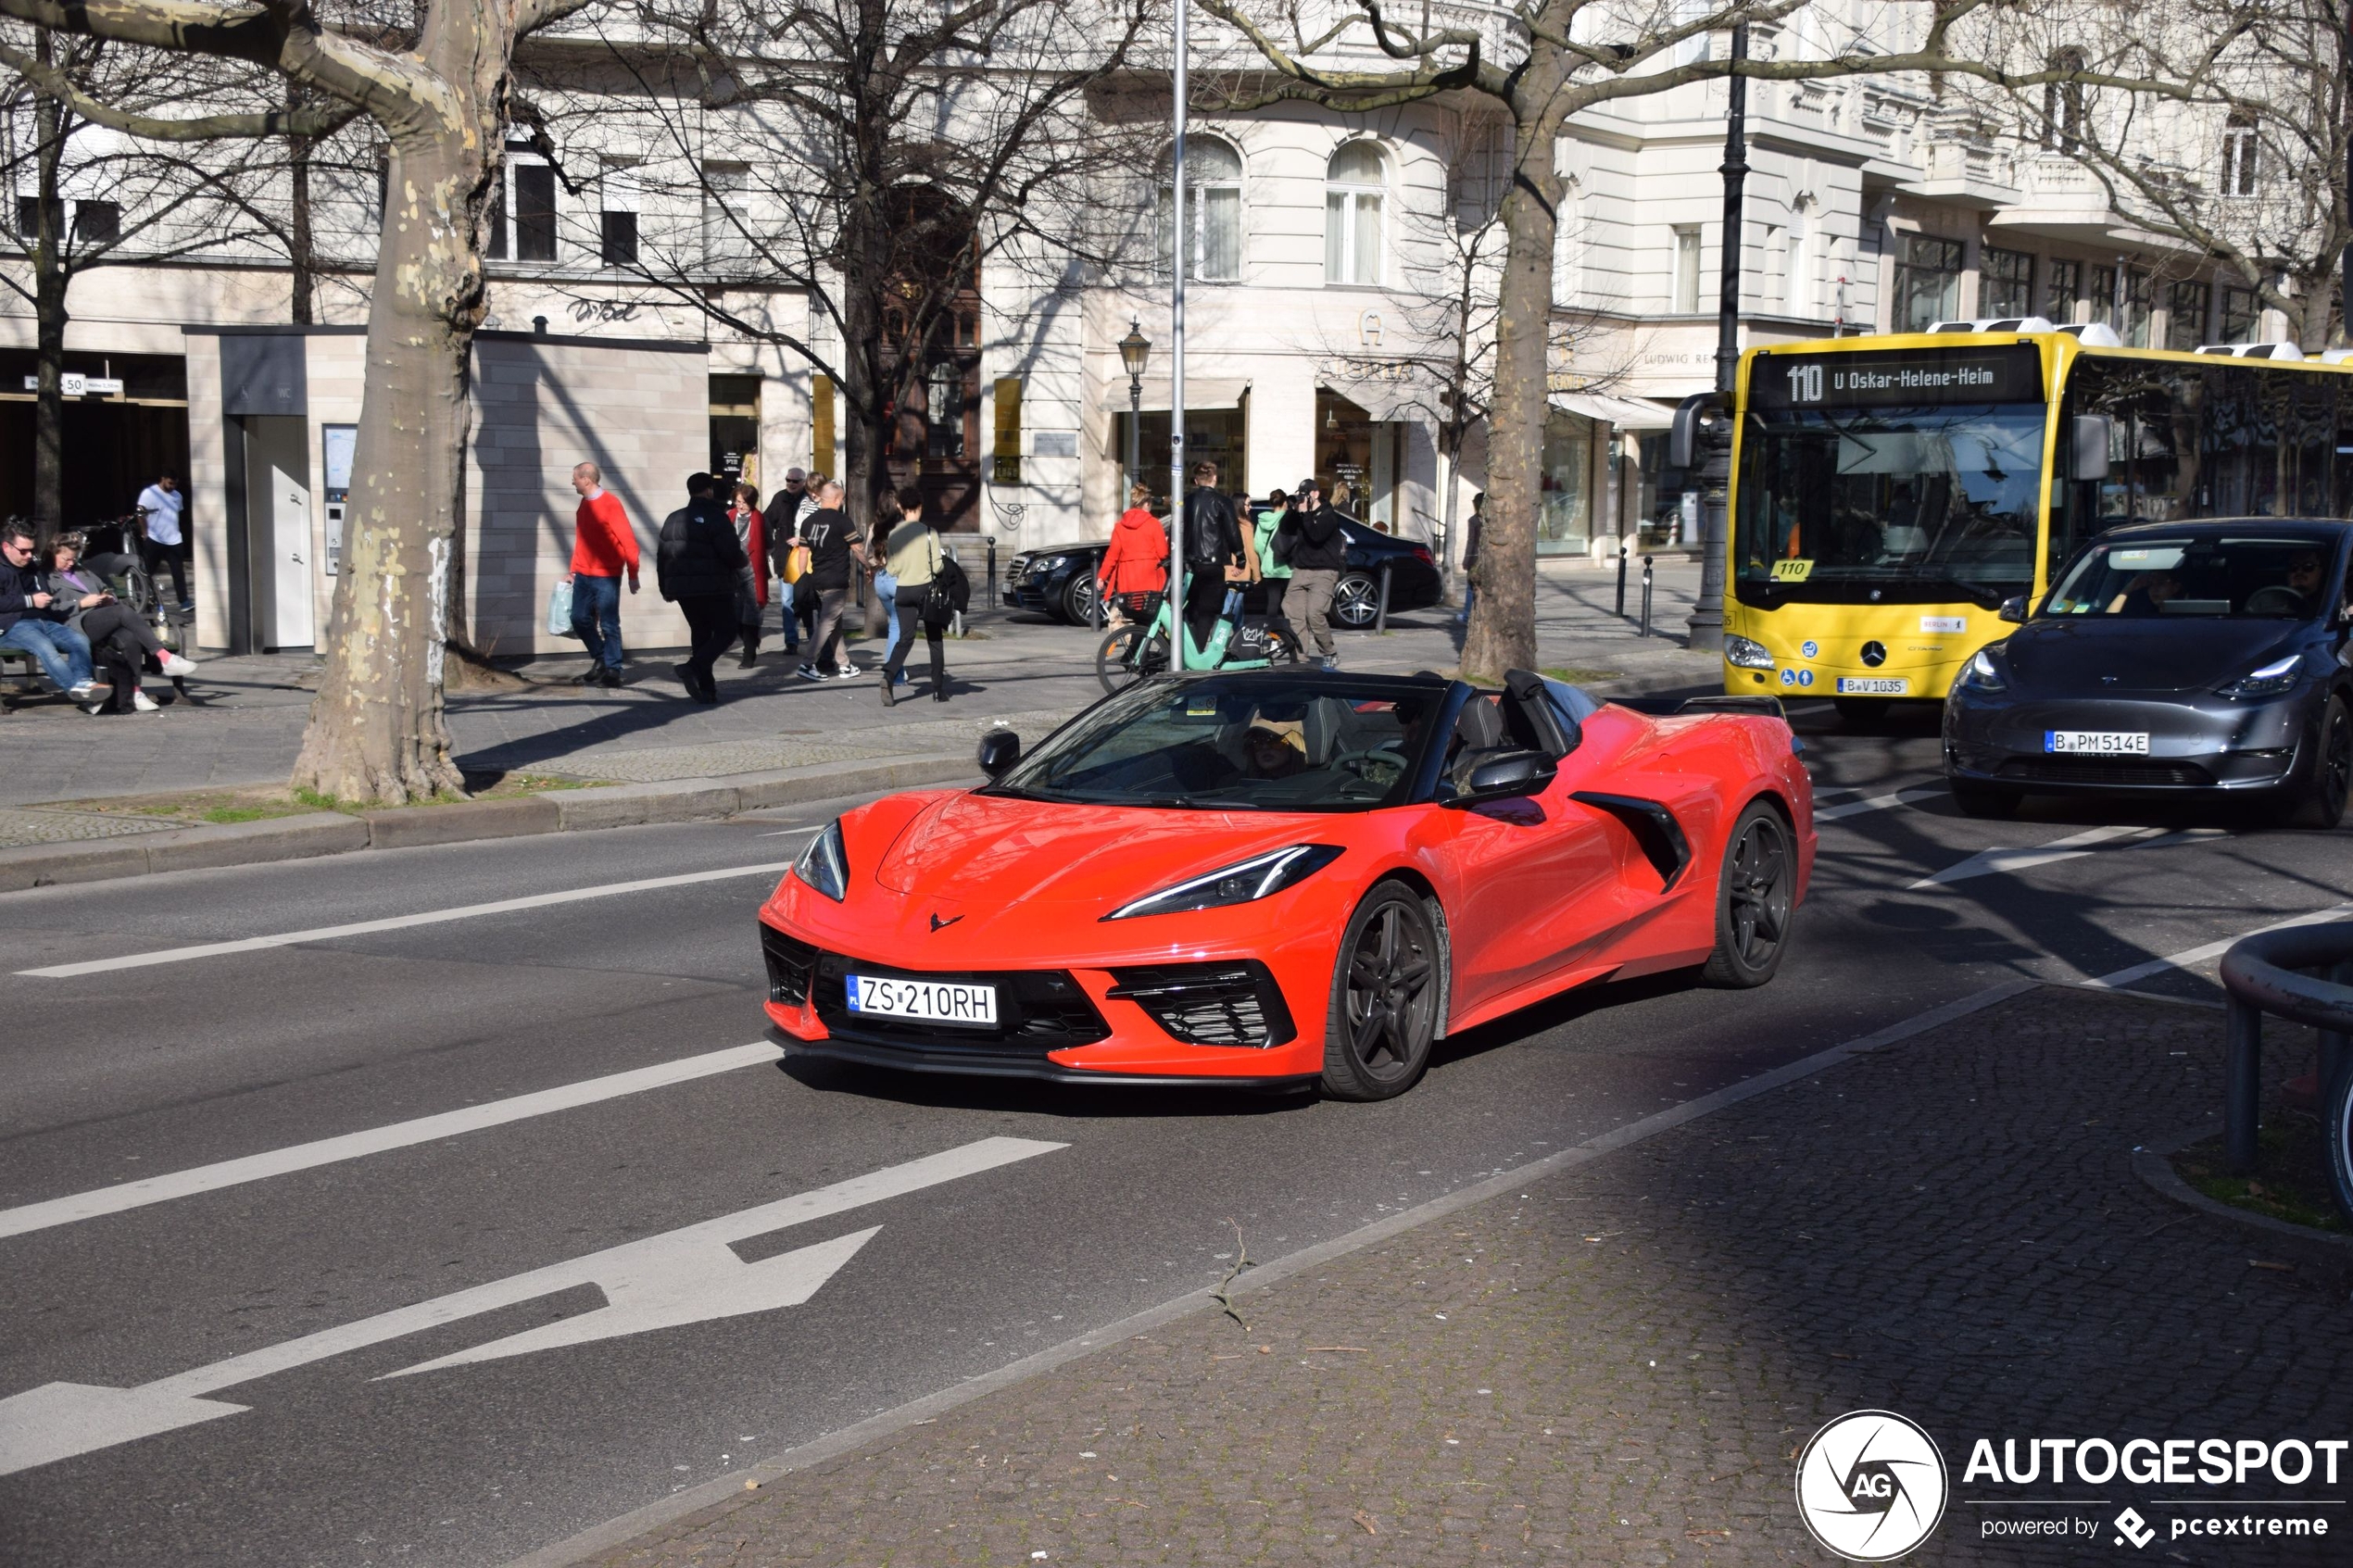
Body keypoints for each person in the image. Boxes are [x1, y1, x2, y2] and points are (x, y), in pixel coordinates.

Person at [44, 532, 198, 712]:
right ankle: (164, 657)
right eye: (65, 559)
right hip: (78, 622)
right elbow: (51, 608)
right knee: (124, 611)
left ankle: (135, 692)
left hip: (103, 616)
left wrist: (109, 598)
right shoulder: (46, 577)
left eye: (73, 559)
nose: (70, 563)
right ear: (53, 553)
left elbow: (105, 589)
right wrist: (81, 603)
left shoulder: (82, 571)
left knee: (130, 637)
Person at [655, 471, 748, 704]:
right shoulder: (716, 517)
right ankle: (693, 668)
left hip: (683, 589)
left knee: (701, 634)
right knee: (726, 632)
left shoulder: (673, 518)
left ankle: (707, 689)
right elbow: (730, 552)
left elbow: (662, 556)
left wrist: (664, 587)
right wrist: (742, 561)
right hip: (714, 586)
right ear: (709, 490)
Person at [0, 520, 98, 706]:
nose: (29, 556)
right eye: (23, 551)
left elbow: (43, 592)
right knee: (46, 648)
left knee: (79, 641)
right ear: (6, 546)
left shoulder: (29, 566)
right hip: (10, 625)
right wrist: (30, 600)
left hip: (43, 620)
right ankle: (81, 693)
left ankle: (84, 683)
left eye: (32, 550)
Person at [567, 460, 640, 687]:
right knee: (578, 618)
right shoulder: (583, 505)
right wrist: (573, 569)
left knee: (609, 623)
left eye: (575, 477)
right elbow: (581, 541)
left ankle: (613, 670)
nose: (572, 481)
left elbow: (628, 541)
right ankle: (601, 658)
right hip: (583, 574)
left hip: (606, 575)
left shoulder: (610, 504)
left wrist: (632, 573)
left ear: (586, 479)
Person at [878, 484, 950, 707]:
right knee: (935, 641)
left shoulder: (894, 534)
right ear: (920, 506)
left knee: (905, 639)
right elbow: (938, 567)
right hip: (926, 591)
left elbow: (892, 568)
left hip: (903, 591)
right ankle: (938, 690)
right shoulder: (929, 533)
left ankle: (888, 676)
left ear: (901, 508)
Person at [796, 480, 867, 680]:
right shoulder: (842, 520)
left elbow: (803, 553)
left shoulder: (808, 522)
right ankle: (808, 664)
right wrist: (871, 567)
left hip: (817, 579)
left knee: (834, 622)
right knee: (827, 622)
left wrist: (804, 578)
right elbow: (857, 549)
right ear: (836, 499)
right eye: (842, 498)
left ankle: (844, 664)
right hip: (836, 580)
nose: (843, 502)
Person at [1179, 460, 1246, 656]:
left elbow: (1179, 530)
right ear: (1215, 478)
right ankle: (1198, 653)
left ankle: (1189, 649)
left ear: (1195, 480)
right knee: (1208, 612)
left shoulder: (1187, 501)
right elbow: (1233, 532)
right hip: (1213, 563)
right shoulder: (1222, 502)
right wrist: (1240, 557)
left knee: (1192, 609)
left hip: (1190, 563)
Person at [1287, 476, 1349, 670]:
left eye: (1307, 494)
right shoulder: (1302, 513)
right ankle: (1300, 657)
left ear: (1316, 494)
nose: (1304, 498)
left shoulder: (1328, 515)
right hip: (1301, 570)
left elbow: (1316, 537)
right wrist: (1293, 511)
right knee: (1293, 613)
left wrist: (1306, 514)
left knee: (1315, 614)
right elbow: (1285, 529)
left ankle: (1329, 652)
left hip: (1324, 572)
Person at [1101, 483, 1168, 626]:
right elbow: (1163, 553)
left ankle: (1135, 643)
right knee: (1149, 615)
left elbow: (1112, 555)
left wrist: (1102, 576)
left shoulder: (1120, 526)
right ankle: (1139, 646)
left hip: (1127, 578)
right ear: (1147, 504)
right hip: (1149, 576)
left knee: (1134, 616)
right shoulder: (1154, 524)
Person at [761, 468, 809, 657]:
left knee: (807, 601)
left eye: (795, 481)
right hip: (784, 558)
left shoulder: (809, 501)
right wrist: (771, 546)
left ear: (803, 482)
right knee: (787, 601)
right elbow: (766, 522)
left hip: (805, 558)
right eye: (788, 479)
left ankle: (815, 638)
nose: (790, 483)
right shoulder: (779, 498)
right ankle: (791, 641)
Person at [134, 472, 190, 610]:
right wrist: (145, 532)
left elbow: (178, 514)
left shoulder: (177, 496)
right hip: (155, 538)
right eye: (170, 483)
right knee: (148, 570)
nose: (172, 486)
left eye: (175, 484)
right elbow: (140, 512)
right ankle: (142, 597)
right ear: (163, 479)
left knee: (178, 572)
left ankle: (184, 601)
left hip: (174, 539)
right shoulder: (149, 493)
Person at [728, 481, 768, 667]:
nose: (741, 506)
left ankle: (749, 655)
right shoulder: (729, 517)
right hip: (733, 574)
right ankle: (750, 643)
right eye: (738, 502)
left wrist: (758, 559)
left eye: (744, 502)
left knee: (751, 615)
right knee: (734, 617)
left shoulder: (759, 519)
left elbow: (770, 544)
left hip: (754, 573)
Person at [1251, 488, 1292, 623]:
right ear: (1285, 502)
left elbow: (1258, 545)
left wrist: (1266, 558)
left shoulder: (1263, 519)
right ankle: (1289, 632)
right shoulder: (1289, 518)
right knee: (1290, 604)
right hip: (1288, 567)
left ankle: (1273, 632)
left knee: (1272, 603)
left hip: (1270, 566)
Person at [1456, 492, 1485, 627]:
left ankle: (1467, 615)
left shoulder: (1473, 520)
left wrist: (1466, 559)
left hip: (1475, 557)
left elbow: (1471, 541)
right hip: (1489, 558)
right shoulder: (1492, 521)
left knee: (1470, 588)